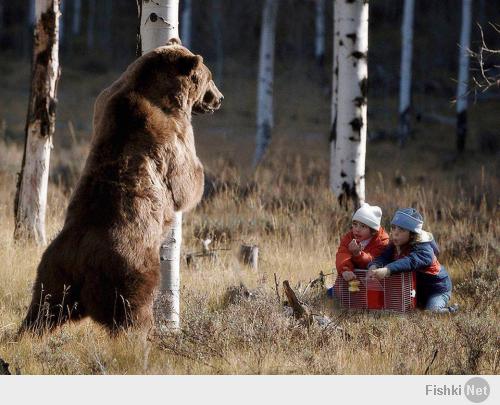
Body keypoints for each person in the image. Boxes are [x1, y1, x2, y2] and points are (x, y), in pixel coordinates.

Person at [368, 208, 456, 313]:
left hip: (437, 290)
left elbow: (411, 261)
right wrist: (374, 266)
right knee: (396, 308)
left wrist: (387, 270)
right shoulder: (395, 245)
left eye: (402, 230)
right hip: (416, 290)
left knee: (431, 312)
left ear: (412, 234)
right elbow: (383, 257)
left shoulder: (424, 249)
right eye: (394, 228)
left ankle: (451, 310)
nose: (395, 233)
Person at [327, 203, 389, 297]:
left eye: (363, 226)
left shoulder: (382, 241)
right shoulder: (349, 237)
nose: (357, 229)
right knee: (331, 295)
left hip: (371, 285)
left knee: (368, 301)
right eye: (355, 224)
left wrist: (358, 254)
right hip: (349, 281)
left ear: (373, 231)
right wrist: (345, 270)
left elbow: (374, 261)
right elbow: (342, 254)